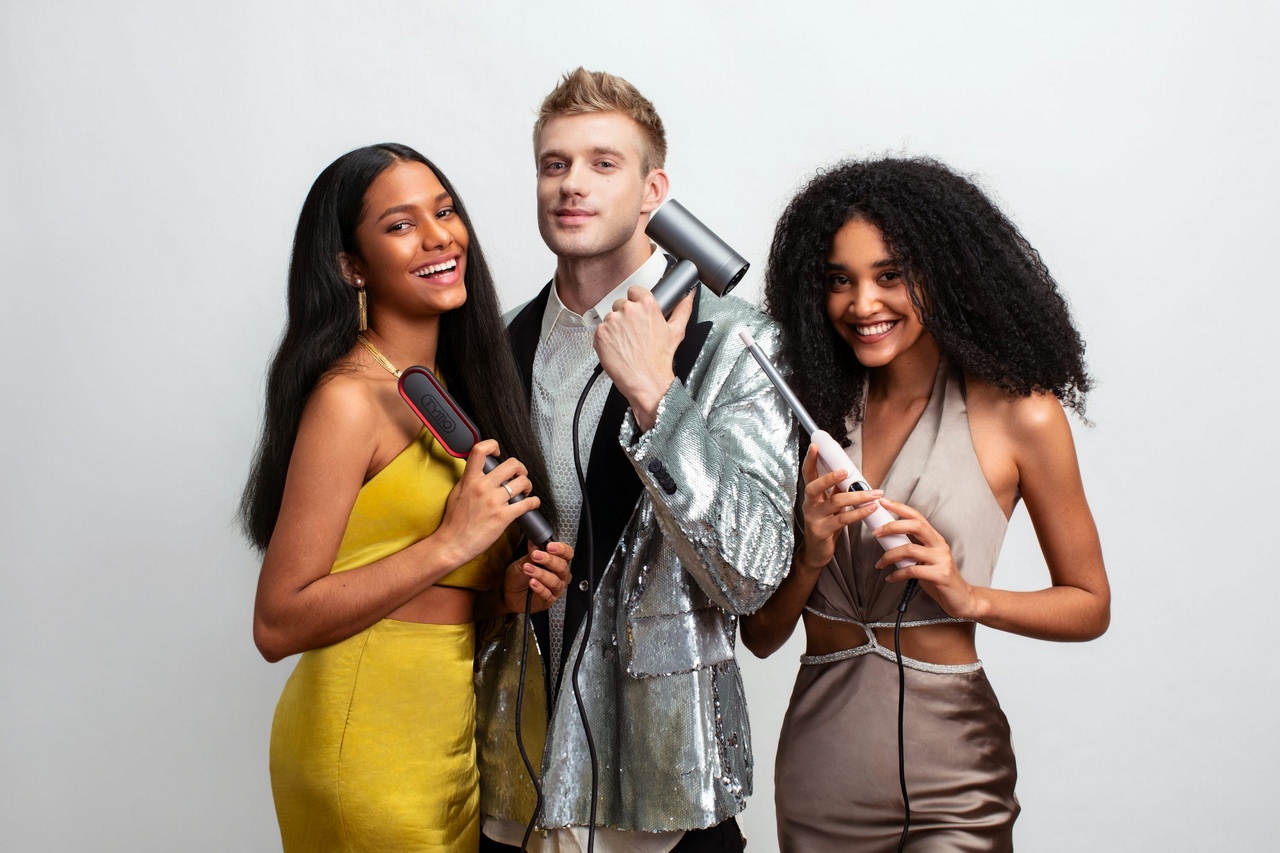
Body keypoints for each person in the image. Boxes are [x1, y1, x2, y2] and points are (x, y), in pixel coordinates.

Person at [741, 157, 1110, 851]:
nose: (863, 304)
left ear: (943, 271)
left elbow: (1090, 604)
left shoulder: (1021, 415)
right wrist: (810, 553)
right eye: (839, 280)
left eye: (890, 275)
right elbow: (760, 637)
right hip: (822, 774)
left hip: (954, 778)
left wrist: (970, 597)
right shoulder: (802, 416)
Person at [475, 69, 798, 852]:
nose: (572, 184)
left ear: (654, 190)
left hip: (659, 789)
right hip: (513, 786)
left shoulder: (738, 341)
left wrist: (658, 395)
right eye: (554, 165)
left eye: (602, 163)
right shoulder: (497, 344)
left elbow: (754, 573)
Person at [241, 143, 573, 852]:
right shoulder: (348, 399)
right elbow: (277, 622)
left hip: (447, 741)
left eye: (444, 212)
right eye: (400, 224)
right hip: (363, 740)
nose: (437, 236)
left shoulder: (453, 391)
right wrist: (452, 542)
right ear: (351, 266)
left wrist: (505, 593)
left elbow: (427, 597)